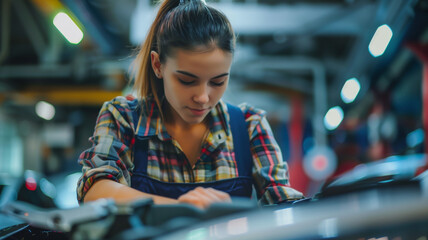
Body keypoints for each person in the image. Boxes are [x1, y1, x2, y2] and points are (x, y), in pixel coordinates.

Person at [77, 0, 303, 209]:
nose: (203, 97)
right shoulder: (123, 118)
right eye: (187, 80)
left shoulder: (249, 126)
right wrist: (183, 210)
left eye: (218, 81)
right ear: (158, 65)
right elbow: (96, 190)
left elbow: (282, 203)